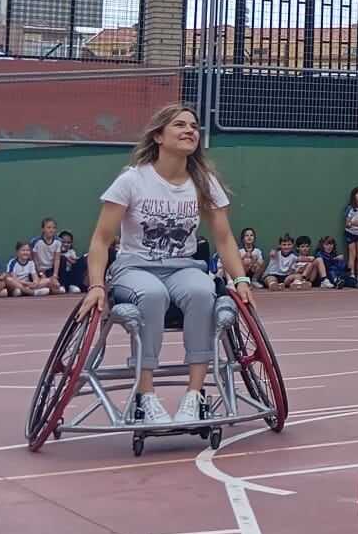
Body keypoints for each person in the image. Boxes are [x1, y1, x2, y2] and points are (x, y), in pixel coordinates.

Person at [83, 105, 253, 427]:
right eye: (180, 125)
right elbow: (100, 240)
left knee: (204, 292)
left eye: (194, 126)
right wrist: (95, 286)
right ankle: (145, 395)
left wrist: (241, 278)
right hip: (135, 267)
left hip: (183, 266)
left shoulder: (204, 183)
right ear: (158, 136)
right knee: (151, 295)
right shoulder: (132, 180)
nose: (190, 130)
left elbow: (225, 240)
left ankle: (194, 394)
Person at [28, 218, 64, 290]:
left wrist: (55, 275)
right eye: (48, 227)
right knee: (51, 286)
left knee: (56, 289)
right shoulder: (36, 241)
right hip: (38, 270)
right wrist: (41, 274)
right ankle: (29, 288)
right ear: (42, 229)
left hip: (50, 269)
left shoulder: (59, 241)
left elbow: (57, 259)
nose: (51, 230)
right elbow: (34, 260)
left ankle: (52, 285)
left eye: (53, 228)